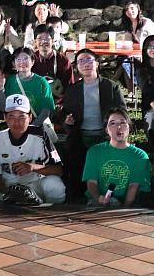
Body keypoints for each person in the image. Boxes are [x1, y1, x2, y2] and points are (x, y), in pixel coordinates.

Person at [61, 48, 127, 200]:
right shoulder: (73, 90)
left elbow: (122, 111)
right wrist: (68, 120)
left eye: (89, 60)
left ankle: (108, 196)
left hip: (104, 136)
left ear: (97, 63)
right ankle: (79, 196)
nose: (86, 64)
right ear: (77, 67)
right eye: (81, 61)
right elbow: (65, 112)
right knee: (75, 162)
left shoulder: (110, 86)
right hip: (81, 135)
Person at [0, 94, 65, 204]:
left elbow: (58, 170)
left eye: (22, 117)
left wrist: (32, 167)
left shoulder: (40, 136)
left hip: (35, 185)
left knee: (55, 185)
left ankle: (55, 216)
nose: (17, 122)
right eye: (12, 117)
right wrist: (14, 194)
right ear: (4, 117)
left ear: (30, 117)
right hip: (7, 188)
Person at [82, 108, 150, 208]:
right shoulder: (95, 151)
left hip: (127, 204)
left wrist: (124, 209)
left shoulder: (140, 155)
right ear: (106, 129)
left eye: (122, 122)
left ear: (129, 127)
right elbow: (91, 182)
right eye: (112, 123)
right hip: (97, 201)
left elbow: (133, 187)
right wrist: (99, 198)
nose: (118, 127)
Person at [0, 47, 56, 142]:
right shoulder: (10, 81)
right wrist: (1, 87)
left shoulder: (42, 82)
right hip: (15, 128)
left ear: (33, 61)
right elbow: (3, 108)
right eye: (18, 59)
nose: (22, 62)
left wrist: (31, 128)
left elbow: (46, 111)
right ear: (14, 64)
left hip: (37, 129)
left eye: (26, 59)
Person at [31, 25, 74, 98]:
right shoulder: (30, 59)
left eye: (47, 39)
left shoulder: (63, 61)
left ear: (53, 40)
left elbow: (69, 87)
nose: (43, 41)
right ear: (35, 41)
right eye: (40, 38)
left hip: (57, 102)